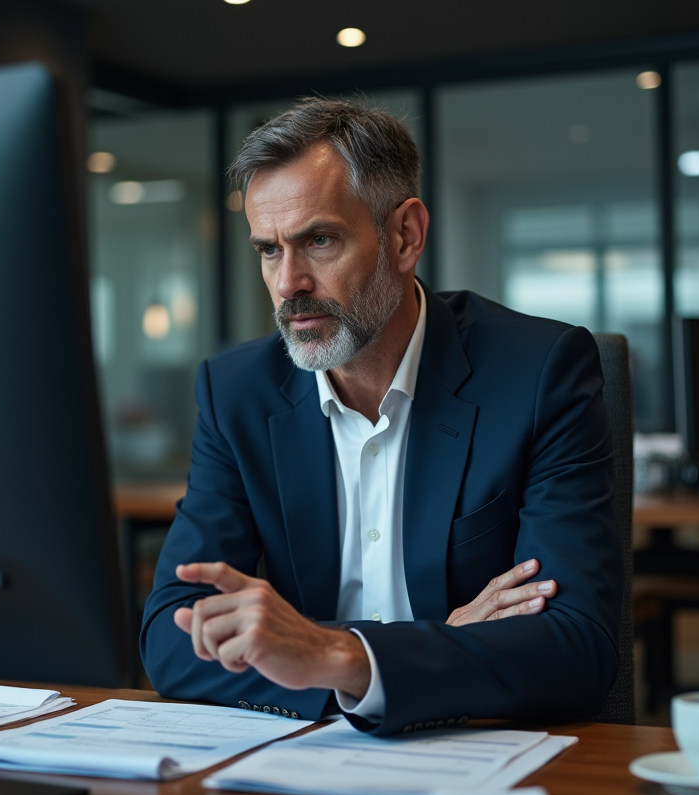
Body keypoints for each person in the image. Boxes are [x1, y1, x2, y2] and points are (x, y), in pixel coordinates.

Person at [140, 98, 622, 736]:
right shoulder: (237, 393)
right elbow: (172, 635)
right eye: (269, 250)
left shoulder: (537, 373)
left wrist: (333, 655)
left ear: (405, 236)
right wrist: (405, 650)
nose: (287, 283)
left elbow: (578, 646)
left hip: (474, 749)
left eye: (319, 240)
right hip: (310, 752)